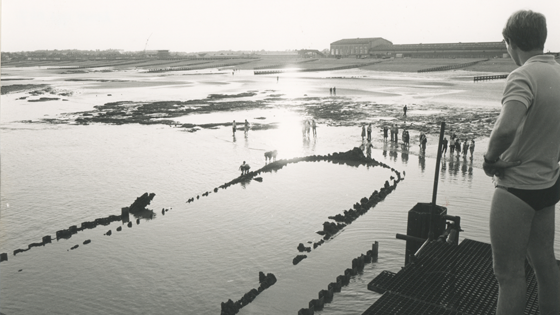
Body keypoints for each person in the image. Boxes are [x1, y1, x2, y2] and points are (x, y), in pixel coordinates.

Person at [482, 10, 560, 315]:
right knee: (545, 264)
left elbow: (506, 128)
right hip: (548, 185)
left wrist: (490, 159)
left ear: (510, 41)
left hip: (516, 188)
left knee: (508, 274)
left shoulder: (523, 75)